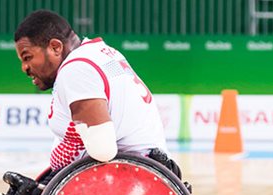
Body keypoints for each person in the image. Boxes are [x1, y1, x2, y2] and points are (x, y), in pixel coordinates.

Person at [13, 10, 180, 177]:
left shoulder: (76, 68)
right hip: (151, 167)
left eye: (27, 57)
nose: (24, 68)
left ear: (55, 47)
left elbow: (103, 150)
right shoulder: (101, 52)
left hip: (131, 176)